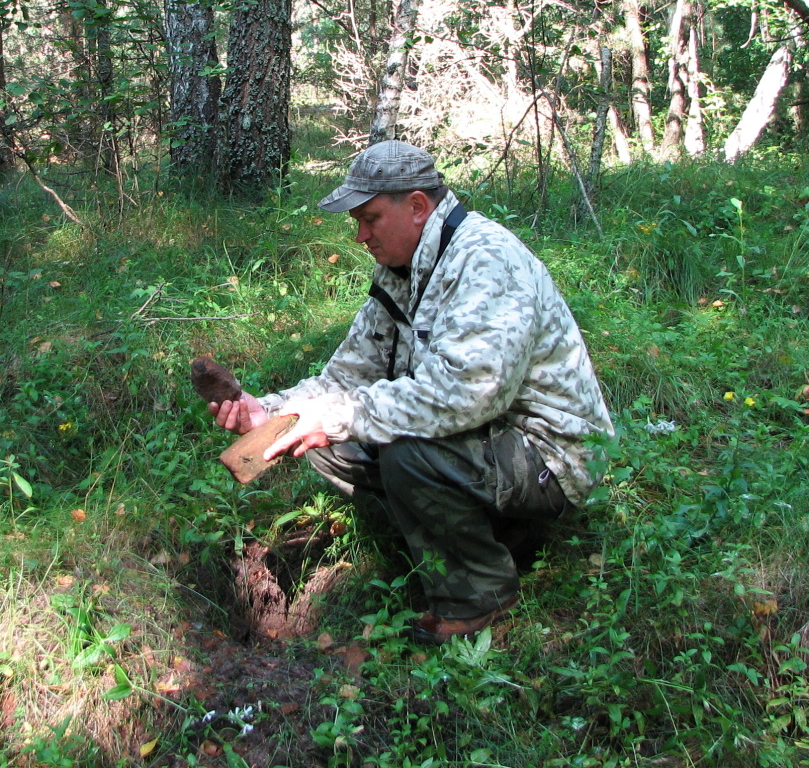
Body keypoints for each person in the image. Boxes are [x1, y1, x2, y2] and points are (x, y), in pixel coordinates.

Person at [211, 141, 613, 644]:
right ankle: (480, 541)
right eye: (357, 222)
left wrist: (337, 417)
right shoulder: (404, 270)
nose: (360, 236)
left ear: (418, 206)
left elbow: (467, 395)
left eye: (370, 219)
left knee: (406, 452)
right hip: (489, 439)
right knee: (330, 444)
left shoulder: (485, 260)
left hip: (551, 453)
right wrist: (271, 412)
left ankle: (479, 594)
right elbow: (347, 375)